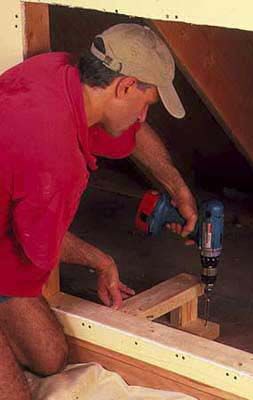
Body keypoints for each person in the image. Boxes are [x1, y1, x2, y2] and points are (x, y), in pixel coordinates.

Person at [0, 23, 197, 400]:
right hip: (10, 239)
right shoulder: (54, 155)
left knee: (50, 359)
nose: (144, 116)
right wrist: (101, 261)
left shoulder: (61, 73)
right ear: (125, 86)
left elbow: (132, 133)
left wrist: (176, 187)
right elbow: (41, 245)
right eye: (147, 103)